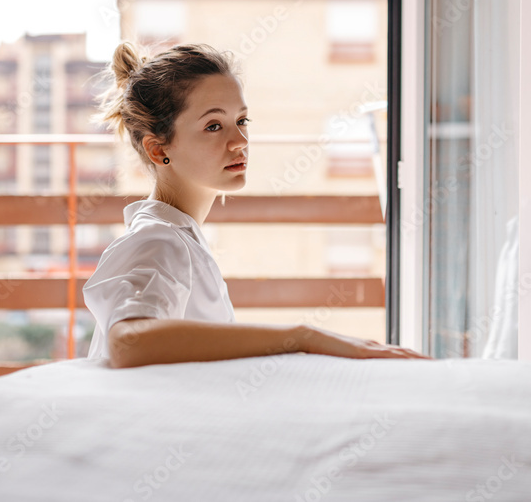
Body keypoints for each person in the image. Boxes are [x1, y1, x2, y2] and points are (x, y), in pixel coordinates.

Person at [83, 41, 430, 368]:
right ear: (159, 149)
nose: (240, 141)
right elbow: (128, 342)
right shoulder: (159, 241)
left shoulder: (179, 238)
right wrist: (302, 337)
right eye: (214, 125)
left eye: (242, 121)